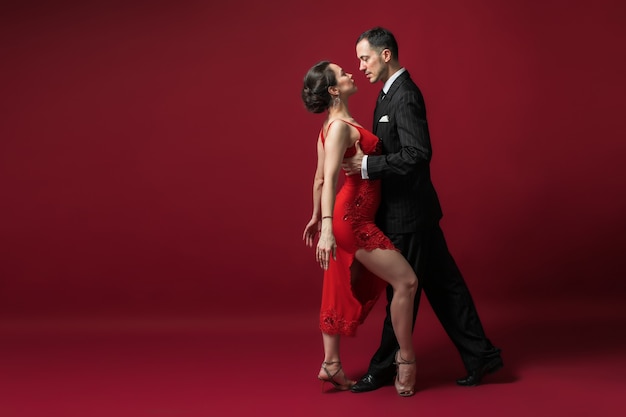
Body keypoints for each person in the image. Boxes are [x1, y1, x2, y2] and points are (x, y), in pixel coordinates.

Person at [342, 27, 503, 393]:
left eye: (365, 58)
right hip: (413, 214)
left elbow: (417, 154)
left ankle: (382, 368)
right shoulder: (385, 95)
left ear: (386, 55)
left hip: (409, 216)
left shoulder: (406, 95)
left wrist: (368, 167)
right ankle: (483, 356)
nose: (361, 66)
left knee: (402, 294)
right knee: (447, 288)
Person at [301, 60, 419, 397]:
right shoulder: (339, 127)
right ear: (335, 89)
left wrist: (315, 215)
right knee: (406, 281)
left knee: (338, 285)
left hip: (347, 217)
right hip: (352, 220)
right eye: (342, 73)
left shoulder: (332, 125)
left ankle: (331, 364)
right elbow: (330, 180)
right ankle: (406, 358)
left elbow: (320, 177)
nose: (351, 73)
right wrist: (325, 227)